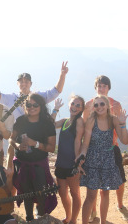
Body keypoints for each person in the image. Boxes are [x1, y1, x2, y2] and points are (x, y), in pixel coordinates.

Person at [81, 75, 128, 222]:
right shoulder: (89, 109)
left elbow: (125, 140)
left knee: (106, 191)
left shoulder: (115, 110)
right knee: (91, 193)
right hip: (93, 155)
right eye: (96, 105)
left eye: (102, 105)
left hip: (110, 152)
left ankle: (106, 217)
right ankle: (92, 214)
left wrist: (122, 124)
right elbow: (85, 136)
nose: (99, 107)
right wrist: (81, 156)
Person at [9, 93, 58, 222]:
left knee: (40, 193)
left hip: (39, 164)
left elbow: (51, 147)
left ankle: (40, 217)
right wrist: (18, 145)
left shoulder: (47, 124)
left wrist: (34, 144)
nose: (31, 107)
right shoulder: (21, 121)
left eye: (35, 105)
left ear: (41, 106)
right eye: (28, 105)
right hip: (22, 163)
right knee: (26, 193)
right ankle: (29, 218)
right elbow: (11, 139)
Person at [0, 63, 68, 120]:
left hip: (35, 135)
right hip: (17, 137)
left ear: (31, 84)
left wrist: (62, 75)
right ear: (17, 84)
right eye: (21, 81)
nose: (24, 84)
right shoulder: (11, 98)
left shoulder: (38, 96)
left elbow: (56, 91)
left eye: (26, 81)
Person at [52, 96, 85, 224]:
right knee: (62, 193)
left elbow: (78, 140)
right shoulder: (65, 121)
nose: (74, 107)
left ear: (82, 109)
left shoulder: (79, 121)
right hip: (61, 163)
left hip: (72, 164)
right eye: (73, 104)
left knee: (75, 193)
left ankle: (74, 220)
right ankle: (68, 216)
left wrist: (77, 162)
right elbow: (51, 124)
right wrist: (55, 109)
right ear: (69, 105)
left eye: (78, 105)